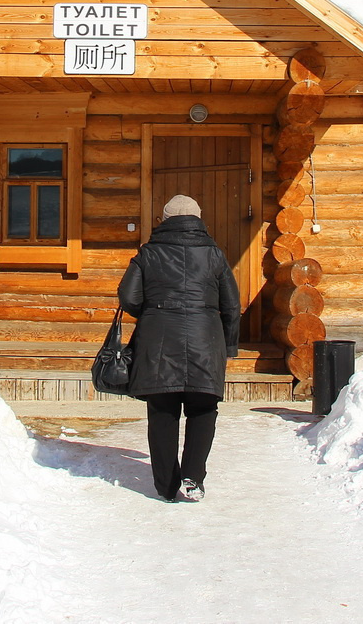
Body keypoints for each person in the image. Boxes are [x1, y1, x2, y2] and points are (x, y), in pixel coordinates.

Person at [118, 194, 241, 503]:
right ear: (198, 219)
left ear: (165, 219)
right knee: (203, 408)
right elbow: (232, 305)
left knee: (162, 411)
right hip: (205, 340)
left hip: (158, 342)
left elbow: (128, 297)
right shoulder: (214, 254)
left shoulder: (149, 253)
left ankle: (166, 486)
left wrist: (154, 311)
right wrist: (228, 345)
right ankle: (193, 476)